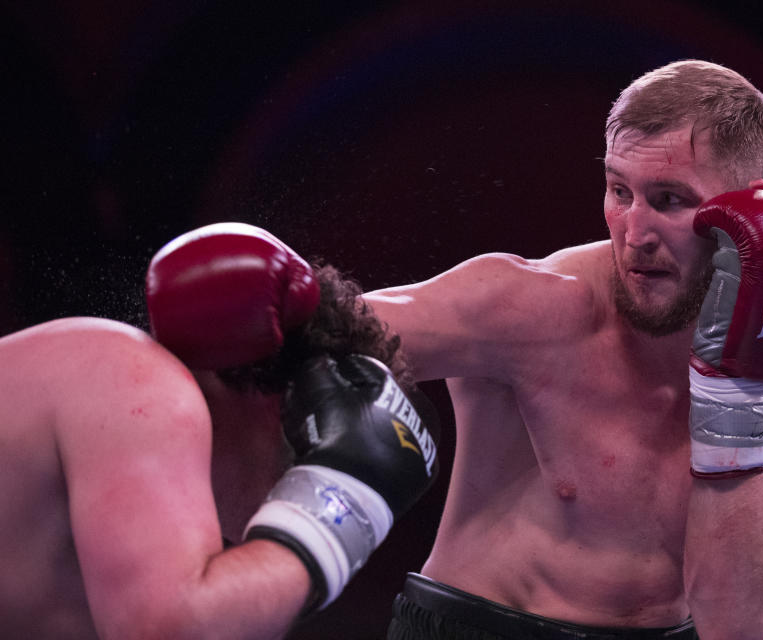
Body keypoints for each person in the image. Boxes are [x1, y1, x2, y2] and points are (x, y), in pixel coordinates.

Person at [364, 59, 763, 639]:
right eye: (620, 191)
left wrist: (733, 396)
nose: (635, 232)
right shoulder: (531, 308)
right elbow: (318, 326)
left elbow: (736, 624)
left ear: (749, 209)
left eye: (669, 199)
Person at [0, 222, 437, 639]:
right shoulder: (140, 380)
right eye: (313, 455)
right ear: (282, 407)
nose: (294, 495)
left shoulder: (115, 539)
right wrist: (347, 490)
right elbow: (175, 631)